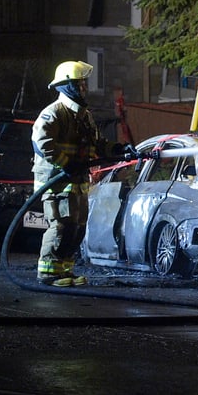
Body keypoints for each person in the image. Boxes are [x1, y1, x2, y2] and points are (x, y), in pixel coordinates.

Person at [31, 60, 135, 286]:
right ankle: (48, 273)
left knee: (76, 229)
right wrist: (65, 163)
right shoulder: (54, 113)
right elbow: (42, 142)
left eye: (84, 84)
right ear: (67, 85)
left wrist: (118, 149)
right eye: (80, 84)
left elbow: (97, 143)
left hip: (77, 181)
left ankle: (65, 271)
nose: (84, 88)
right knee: (60, 226)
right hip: (56, 182)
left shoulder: (83, 116)